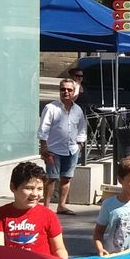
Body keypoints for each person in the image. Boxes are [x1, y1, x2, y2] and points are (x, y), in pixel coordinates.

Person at [0, 161, 68, 258]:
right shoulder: (1, 213)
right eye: (29, 188)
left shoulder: (48, 215)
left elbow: (59, 249)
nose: (35, 194)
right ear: (13, 187)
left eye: (40, 189)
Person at [38, 78, 87, 217]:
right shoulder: (51, 108)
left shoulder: (77, 110)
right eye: (63, 89)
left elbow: (82, 128)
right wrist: (44, 146)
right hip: (53, 149)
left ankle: (61, 205)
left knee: (66, 178)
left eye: (69, 90)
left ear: (73, 92)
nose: (66, 92)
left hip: (71, 149)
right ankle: (46, 207)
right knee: (51, 178)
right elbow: (43, 128)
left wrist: (79, 144)